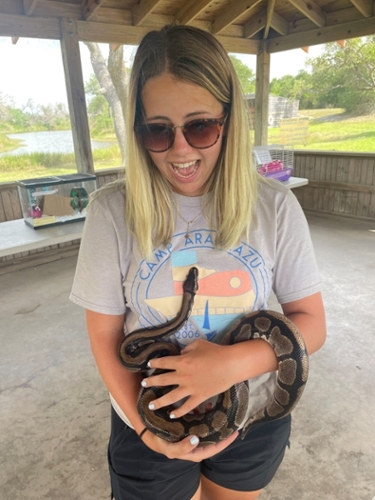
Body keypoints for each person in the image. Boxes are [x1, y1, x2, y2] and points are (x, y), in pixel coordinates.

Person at [70, 24, 326, 500]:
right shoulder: (111, 212)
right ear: (137, 130)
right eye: (157, 130)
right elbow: (107, 340)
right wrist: (148, 433)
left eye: (200, 125)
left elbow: (311, 324)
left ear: (229, 120)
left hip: (252, 414)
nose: (181, 149)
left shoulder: (274, 208)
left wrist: (231, 365)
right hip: (146, 416)